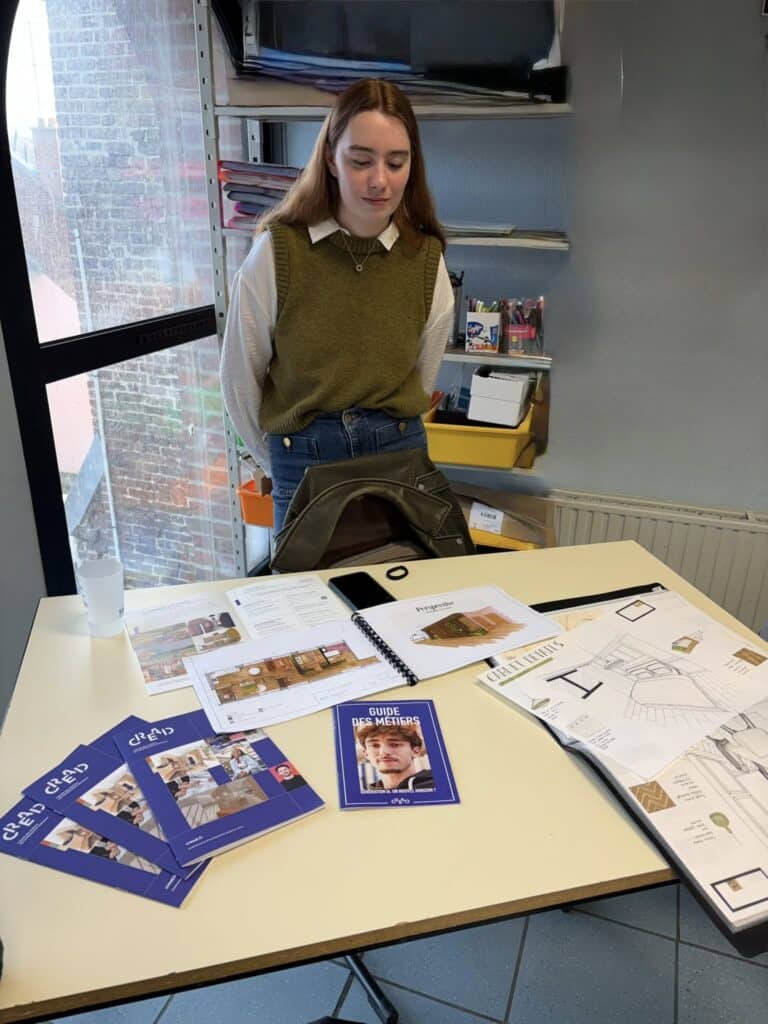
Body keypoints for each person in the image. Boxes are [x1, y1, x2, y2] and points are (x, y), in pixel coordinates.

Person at [221, 78, 455, 533]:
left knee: (400, 598)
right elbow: (239, 378)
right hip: (302, 461)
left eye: (396, 162)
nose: (379, 180)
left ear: (413, 165)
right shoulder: (277, 252)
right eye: (360, 160)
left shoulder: (426, 261)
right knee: (305, 603)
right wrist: (278, 458)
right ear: (330, 158)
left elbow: (422, 375)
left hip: (399, 456)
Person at [356, 723, 434, 792]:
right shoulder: (363, 796)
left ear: (415, 751)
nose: (383, 752)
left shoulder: (436, 785)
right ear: (366, 754)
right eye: (375, 745)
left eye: (394, 744)